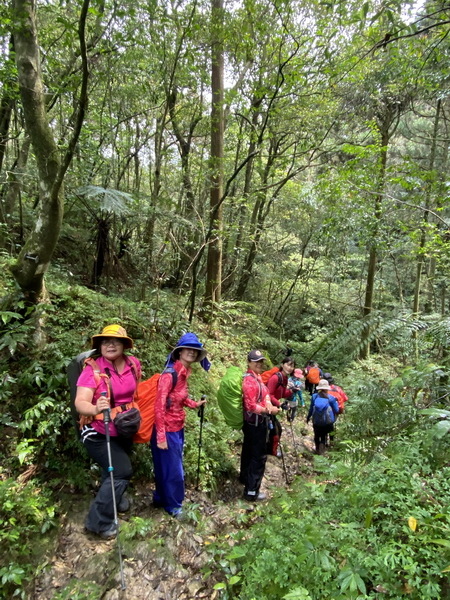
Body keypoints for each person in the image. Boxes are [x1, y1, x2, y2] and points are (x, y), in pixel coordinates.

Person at [75, 324, 141, 539]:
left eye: (115, 341)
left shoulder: (133, 364)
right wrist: (95, 408)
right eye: (105, 341)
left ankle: (116, 499)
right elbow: (80, 403)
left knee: (111, 469)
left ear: (124, 345)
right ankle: (98, 522)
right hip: (96, 430)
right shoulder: (92, 370)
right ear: (100, 346)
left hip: (123, 427)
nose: (110, 345)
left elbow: (134, 394)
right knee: (121, 471)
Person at [151, 333, 209, 518]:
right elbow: (159, 406)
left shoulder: (183, 374)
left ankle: (161, 498)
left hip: (177, 427)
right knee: (174, 470)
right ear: (180, 351)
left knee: (165, 466)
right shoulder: (170, 375)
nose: (192, 352)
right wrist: (161, 436)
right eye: (188, 349)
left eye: (195, 350)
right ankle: (174, 506)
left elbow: (177, 399)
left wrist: (194, 404)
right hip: (166, 430)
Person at [240, 349, 280, 501]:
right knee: (258, 457)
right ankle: (251, 491)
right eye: (256, 361)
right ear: (249, 362)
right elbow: (250, 405)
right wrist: (268, 411)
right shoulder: (249, 381)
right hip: (255, 423)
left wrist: (268, 403)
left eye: (261, 361)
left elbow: (265, 394)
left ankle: (245, 479)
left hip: (254, 423)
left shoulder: (256, 378)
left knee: (249, 452)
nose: (259, 364)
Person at [306, 379, 339, 455]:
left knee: (317, 435)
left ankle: (317, 449)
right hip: (327, 422)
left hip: (316, 421)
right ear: (327, 388)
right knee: (324, 436)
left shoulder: (314, 397)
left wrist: (308, 417)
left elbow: (311, 408)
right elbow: (336, 410)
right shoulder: (331, 398)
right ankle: (323, 451)